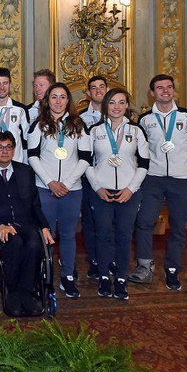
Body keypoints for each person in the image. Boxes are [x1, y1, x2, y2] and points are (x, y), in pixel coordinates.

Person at [131, 75, 187, 290]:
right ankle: (145, 266)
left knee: (178, 227)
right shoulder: (145, 120)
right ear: (152, 93)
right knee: (144, 222)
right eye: (160, 88)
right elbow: (139, 152)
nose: (165, 91)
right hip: (152, 179)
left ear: (173, 90)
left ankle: (172, 269)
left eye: (169, 87)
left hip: (181, 180)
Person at [0, 131, 55, 317]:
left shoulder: (25, 171)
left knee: (35, 244)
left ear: (14, 150)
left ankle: (25, 293)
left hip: (25, 223)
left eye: (8, 147)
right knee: (14, 243)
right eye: (0, 147)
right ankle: (14, 294)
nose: (4, 151)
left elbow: (35, 205)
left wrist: (44, 227)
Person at [84, 88, 150, 299]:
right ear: (106, 105)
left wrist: (131, 189)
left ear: (126, 106)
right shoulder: (94, 131)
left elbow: (145, 163)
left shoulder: (136, 131)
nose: (117, 107)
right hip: (101, 192)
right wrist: (97, 187)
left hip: (128, 193)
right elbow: (86, 162)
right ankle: (104, 277)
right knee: (102, 235)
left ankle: (121, 278)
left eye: (121, 103)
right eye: (112, 102)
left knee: (123, 235)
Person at [27, 82, 91, 298]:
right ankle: (44, 277)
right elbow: (33, 156)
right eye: (54, 97)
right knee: (46, 235)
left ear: (68, 100)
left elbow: (85, 158)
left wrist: (68, 183)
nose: (58, 101)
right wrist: (50, 182)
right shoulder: (38, 125)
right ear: (47, 100)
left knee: (68, 235)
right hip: (45, 189)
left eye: (62, 97)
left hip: (72, 191)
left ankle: (68, 277)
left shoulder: (79, 125)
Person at [79, 75, 108, 280]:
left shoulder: (119, 114)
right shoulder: (79, 119)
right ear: (88, 93)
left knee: (111, 222)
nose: (98, 90)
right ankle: (95, 260)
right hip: (88, 176)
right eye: (94, 88)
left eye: (102, 87)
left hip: (113, 176)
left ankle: (111, 258)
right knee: (91, 222)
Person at [0, 67, 30, 164]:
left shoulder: (21, 109)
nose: (2, 87)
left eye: (5, 83)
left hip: (15, 165)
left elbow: (26, 141)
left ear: (10, 85)